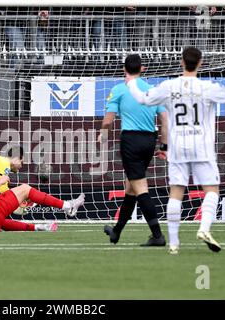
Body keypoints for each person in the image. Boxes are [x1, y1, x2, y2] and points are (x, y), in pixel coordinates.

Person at [127, 46, 225, 254]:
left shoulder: (169, 86)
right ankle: (204, 229)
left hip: (178, 146)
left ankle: (174, 243)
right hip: (201, 147)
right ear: (201, 63)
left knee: (176, 192)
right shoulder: (207, 87)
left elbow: (142, 98)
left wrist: (131, 81)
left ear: (181, 62)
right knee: (212, 190)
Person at [101, 54, 168, 247]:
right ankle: (117, 232)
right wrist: (164, 147)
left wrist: (103, 134)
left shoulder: (119, 89)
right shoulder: (153, 91)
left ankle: (157, 235)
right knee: (130, 188)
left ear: (124, 69)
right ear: (143, 69)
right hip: (149, 140)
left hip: (131, 140)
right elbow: (165, 122)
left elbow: (107, 120)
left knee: (139, 188)